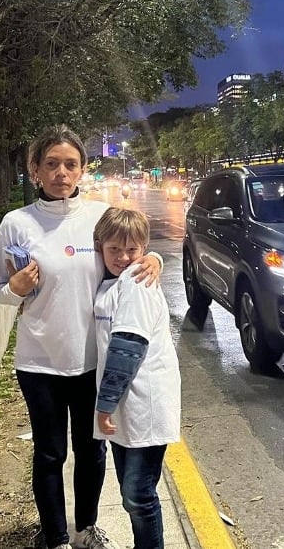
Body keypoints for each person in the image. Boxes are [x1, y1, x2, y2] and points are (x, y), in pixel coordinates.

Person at [0, 125, 163, 549]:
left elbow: (129, 249)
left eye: (70, 164)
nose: (61, 173)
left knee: (91, 452)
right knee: (50, 455)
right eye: (51, 164)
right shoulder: (16, 224)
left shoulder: (96, 217)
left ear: (83, 169)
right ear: (35, 170)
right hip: (39, 362)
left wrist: (155, 257)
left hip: (93, 362)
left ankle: (85, 528)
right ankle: (55, 536)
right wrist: (14, 290)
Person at [92, 207, 180, 549]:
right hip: (126, 408)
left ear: (142, 247)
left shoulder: (136, 282)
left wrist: (105, 403)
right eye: (114, 249)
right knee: (133, 493)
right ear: (100, 247)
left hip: (144, 403)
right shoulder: (111, 280)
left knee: (138, 494)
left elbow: (128, 347)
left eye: (133, 250)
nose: (124, 257)